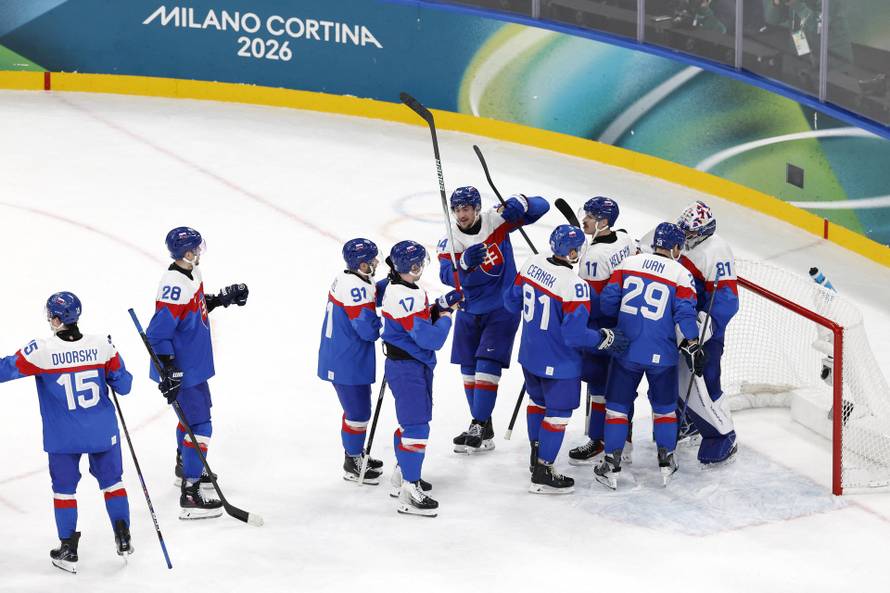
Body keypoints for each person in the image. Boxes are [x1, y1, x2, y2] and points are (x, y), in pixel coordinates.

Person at [0, 292, 134, 573]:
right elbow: (124, 386)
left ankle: (68, 548)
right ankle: (123, 535)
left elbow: (6, 370)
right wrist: (112, 372)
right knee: (113, 483)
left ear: (57, 319)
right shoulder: (102, 345)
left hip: (64, 437)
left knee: (64, 491)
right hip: (102, 432)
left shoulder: (41, 350)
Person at [504, 225, 628, 494]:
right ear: (573, 252)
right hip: (559, 363)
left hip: (528, 354)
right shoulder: (575, 285)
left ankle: (537, 456)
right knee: (558, 415)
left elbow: (510, 302)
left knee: (537, 403)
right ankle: (544, 471)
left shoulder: (532, 263)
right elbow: (574, 335)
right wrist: (604, 337)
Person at [146, 226, 249, 519]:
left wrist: (222, 299)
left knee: (191, 419)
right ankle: (190, 493)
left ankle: (185, 467)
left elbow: (195, 310)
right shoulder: (174, 286)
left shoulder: (192, 275)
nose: (200, 253)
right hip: (183, 367)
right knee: (201, 425)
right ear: (188, 254)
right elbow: (157, 333)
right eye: (197, 249)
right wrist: (169, 368)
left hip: (193, 363)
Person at [437, 186, 550, 454]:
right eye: (457, 210)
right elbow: (446, 277)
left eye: (467, 209)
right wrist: (463, 264)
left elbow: (543, 206)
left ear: (476, 208)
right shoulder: (451, 241)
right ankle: (483, 428)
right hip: (468, 309)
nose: (462, 215)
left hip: (502, 307)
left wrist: (521, 202)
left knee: (487, 364)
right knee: (467, 367)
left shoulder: (494, 220)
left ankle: (477, 422)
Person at [595, 223, 701, 489]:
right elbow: (685, 314)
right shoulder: (681, 273)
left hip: (625, 349)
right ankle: (666, 459)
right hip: (662, 354)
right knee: (664, 409)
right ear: (676, 248)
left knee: (617, 408)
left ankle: (612, 462)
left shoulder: (628, 263)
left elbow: (608, 302)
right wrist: (693, 343)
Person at [379, 240, 461, 516]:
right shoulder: (408, 294)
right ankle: (409, 491)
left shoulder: (402, 287)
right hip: (408, 368)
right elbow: (431, 338)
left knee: (409, 425)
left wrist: (440, 304)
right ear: (411, 267)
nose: (421, 268)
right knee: (416, 427)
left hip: (407, 365)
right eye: (418, 264)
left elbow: (419, 320)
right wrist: (448, 316)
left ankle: (402, 475)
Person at [567, 197, 637, 466]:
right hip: (629, 322)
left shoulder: (594, 257)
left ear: (604, 222)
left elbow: (592, 305)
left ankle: (599, 440)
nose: (584, 219)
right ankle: (625, 440)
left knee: (599, 386)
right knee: (622, 386)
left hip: (604, 329)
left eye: (591, 216)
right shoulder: (624, 238)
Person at [317, 238, 385, 484]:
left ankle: (355, 454)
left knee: (358, 410)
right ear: (362, 264)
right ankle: (353, 461)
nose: (377, 262)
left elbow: (372, 291)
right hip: (346, 360)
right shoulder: (356, 288)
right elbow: (367, 330)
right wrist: (385, 323)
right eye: (372, 260)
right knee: (357, 413)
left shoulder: (350, 278)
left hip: (344, 355)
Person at [676, 201, 739, 465]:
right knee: (678, 377)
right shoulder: (682, 239)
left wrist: (700, 334)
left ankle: (725, 433)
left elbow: (727, 300)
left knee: (708, 378)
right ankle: (689, 422)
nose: (685, 236)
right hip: (682, 323)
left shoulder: (717, 251)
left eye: (691, 233)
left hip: (705, 331)